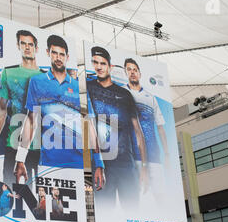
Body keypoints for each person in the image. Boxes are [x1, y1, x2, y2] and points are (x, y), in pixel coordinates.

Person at [13, 34, 105, 190]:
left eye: (62, 54)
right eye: (55, 53)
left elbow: (90, 126)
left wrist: (99, 162)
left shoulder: (79, 89)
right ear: (48, 52)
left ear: (67, 57)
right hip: (49, 164)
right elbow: (30, 121)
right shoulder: (37, 82)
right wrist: (20, 159)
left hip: (79, 165)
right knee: (50, 210)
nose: (58, 57)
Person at [86, 46, 149, 211]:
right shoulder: (88, 88)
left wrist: (144, 166)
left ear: (110, 66)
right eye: (95, 63)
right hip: (102, 166)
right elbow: (89, 125)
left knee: (133, 212)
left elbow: (138, 132)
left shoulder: (125, 94)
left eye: (103, 63)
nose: (99, 67)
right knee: (105, 216)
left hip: (126, 164)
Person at [0, 30, 43, 188]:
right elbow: (1, 109)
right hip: (13, 144)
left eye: (30, 44)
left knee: (37, 201)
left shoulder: (45, 77)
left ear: (36, 48)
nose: (27, 47)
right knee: (10, 195)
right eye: (23, 43)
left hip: (40, 148)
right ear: (18, 46)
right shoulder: (9, 72)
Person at [123, 58, 169, 199]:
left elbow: (160, 127)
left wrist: (166, 154)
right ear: (125, 73)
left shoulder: (151, 97)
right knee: (141, 199)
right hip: (133, 157)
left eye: (135, 69)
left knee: (161, 197)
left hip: (154, 156)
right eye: (129, 69)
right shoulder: (122, 93)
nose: (132, 72)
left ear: (140, 74)